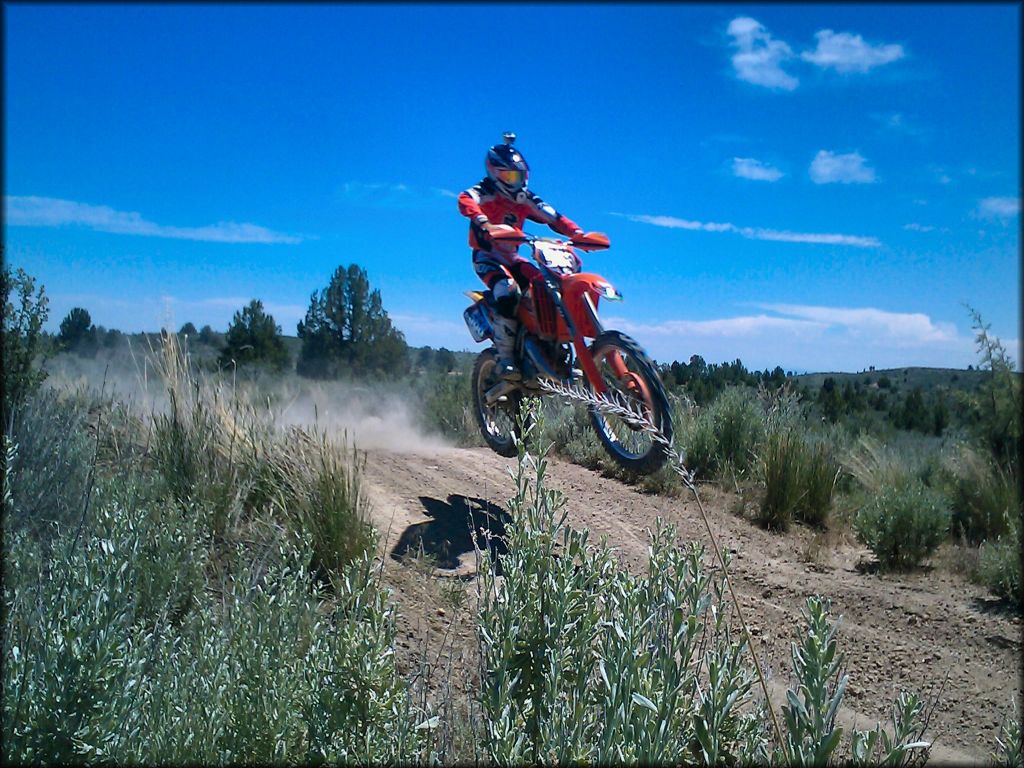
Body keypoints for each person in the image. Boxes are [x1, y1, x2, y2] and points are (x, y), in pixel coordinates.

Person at [458, 133, 585, 380]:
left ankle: (551, 346)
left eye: (520, 176)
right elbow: (465, 199)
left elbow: (554, 217)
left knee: (546, 284)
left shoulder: (525, 198)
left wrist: (578, 234)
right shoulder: (484, 191)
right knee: (506, 289)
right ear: (495, 173)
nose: (516, 181)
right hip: (487, 256)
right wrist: (483, 221)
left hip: (514, 256)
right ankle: (506, 358)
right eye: (509, 176)